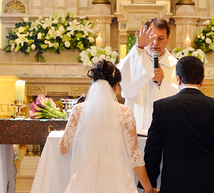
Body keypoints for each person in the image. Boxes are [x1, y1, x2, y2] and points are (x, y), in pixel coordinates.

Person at [142, 56, 214, 193]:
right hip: (208, 185)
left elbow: (152, 151)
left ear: (178, 79)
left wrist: (148, 186)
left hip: (173, 183)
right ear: (202, 80)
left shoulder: (162, 107)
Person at [58, 60, 159, 193]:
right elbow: (134, 155)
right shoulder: (125, 113)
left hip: (85, 179)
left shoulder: (78, 110)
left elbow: (64, 149)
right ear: (116, 85)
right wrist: (148, 187)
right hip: (117, 179)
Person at [117, 18, 178, 131]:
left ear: (168, 40)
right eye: (152, 37)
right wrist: (138, 47)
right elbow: (121, 80)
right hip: (135, 124)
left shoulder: (175, 66)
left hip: (164, 128)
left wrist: (162, 84)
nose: (155, 43)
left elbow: (180, 99)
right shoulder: (134, 59)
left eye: (160, 38)